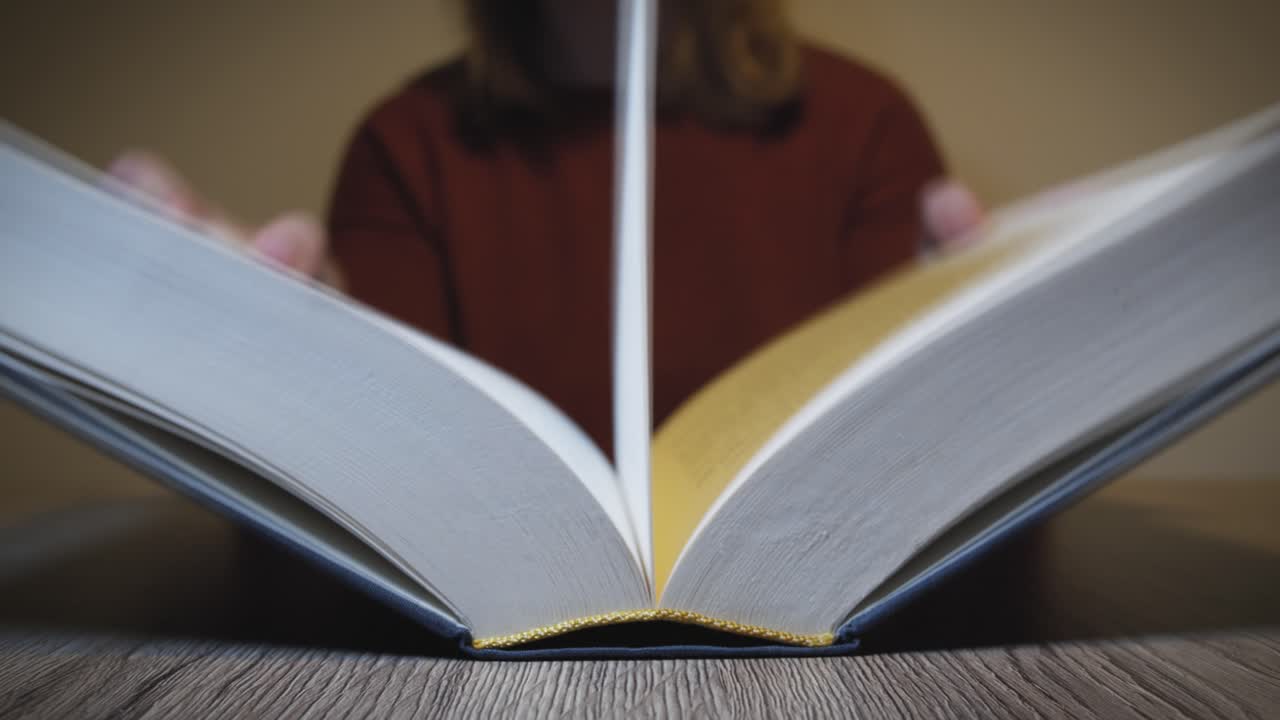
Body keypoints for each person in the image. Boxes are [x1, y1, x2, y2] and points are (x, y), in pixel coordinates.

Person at [109, 0, 983, 453]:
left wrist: (995, 376)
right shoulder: (408, 143)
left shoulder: (863, 122)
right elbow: (393, 490)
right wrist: (289, 377)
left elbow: (918, 479)